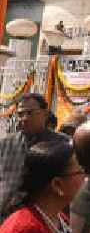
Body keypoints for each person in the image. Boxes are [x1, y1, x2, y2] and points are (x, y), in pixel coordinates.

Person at [0, 93, 69, 221]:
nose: (24, 118)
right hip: (6, 216)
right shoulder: (5, 144)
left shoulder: (62, 144)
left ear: (45, 114)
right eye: (20, 114)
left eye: (30, 113)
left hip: (44, 218)